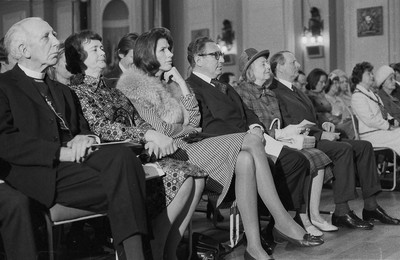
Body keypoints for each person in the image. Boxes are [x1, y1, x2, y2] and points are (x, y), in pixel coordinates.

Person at [117, 28, 323, 260]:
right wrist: (186, 129)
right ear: (148, 53)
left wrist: (182, 88)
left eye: (169, 49)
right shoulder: (135, 86)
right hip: (175, 152)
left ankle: (254, 246)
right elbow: (163, 130)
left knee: (245, 159)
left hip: (189, 146)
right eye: (163, 50)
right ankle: (282, 220)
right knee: (252, 141)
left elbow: (194, 120)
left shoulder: (171, 83)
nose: (170, 54)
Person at [0, 17, 150, 260]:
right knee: (131, 189)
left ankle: (133, 256)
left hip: (76, 167)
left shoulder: (63, 91)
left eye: (54, 34)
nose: (56, 41)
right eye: (46, 36)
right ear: (23, 50)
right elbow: (4, 141)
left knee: (124, 160)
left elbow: (81, 129)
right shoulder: (4, 86)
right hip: (37, 172)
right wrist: (60, 152)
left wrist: (86, 138)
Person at [65, 30, 207, 259]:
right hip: (115, 159)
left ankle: (168, 252)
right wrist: (147, 136)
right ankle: (157, 251)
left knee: (196, 177)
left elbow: (137, 118)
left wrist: (149, 134)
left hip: (138, 152)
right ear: (80, 58)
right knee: (185, 178)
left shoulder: (111, 89)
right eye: (95, 49)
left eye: (102, 48)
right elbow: (102, 127)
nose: (103, 52)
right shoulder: (77, 92)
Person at [184, 38, 321, 239]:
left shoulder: (224, 86)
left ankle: (276, 223)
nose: (221, 59)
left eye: (221, 54)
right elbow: (208, 127)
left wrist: (255, 127)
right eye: (216, 55)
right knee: (276, 162)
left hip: (249, 141)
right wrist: (246, 137)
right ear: (198, 60)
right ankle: (277, 224)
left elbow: (247, 113)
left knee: (296, 162)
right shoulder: (191, 87)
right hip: (226, 149)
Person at [269, 50, 400, 230]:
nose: (298, 66)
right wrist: (320, 134)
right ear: (280, 67)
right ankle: (341, 211)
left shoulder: (294, 90)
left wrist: (323, 126)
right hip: (300, 140)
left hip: (314, 133)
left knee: (364, 146)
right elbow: (289, 123)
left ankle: (371, 206)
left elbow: (311, 117)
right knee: (343, 148)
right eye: (293, 62)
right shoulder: (275, 91)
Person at [235, 48, 337, 236]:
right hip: (259, 144)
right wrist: (281, 132)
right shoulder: (241, 93)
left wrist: (292, 131)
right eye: (263, 64)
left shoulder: (270, 93)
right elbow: (249, 128)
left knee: (318, 156)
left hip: (277, 140)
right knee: (301, 160)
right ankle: (298, 217)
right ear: (249, 70)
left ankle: (310, 215)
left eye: (267, 63)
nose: (268, 67)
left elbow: (279, 123)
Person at [351, 63, 400, 155]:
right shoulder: (357, 96)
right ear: (359, 76)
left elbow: (384, 112)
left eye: (372, 73)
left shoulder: (372, 94)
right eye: (368, 74)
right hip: (371, 135)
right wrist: (388, 125)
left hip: (380, 131)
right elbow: (370, 120)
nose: (372, 76)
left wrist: (392, 121)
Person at [308, 69, 353, 139]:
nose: (324, 85)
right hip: (323, 127)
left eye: (324, 82)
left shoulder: (322, 95)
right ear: (314, 81)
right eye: (322, 82)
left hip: (331, 123)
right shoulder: (309, 97)